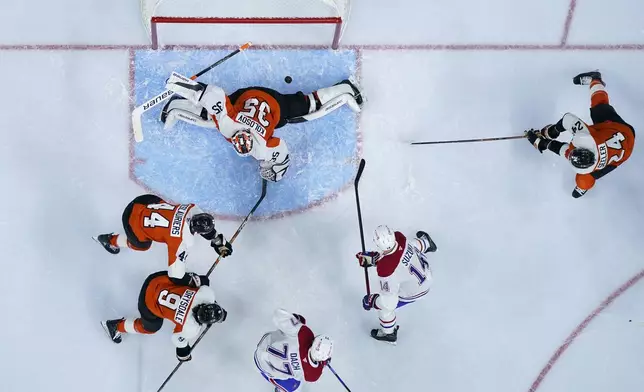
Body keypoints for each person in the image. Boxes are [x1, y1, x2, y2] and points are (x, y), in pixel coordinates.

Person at [160, 72, 363, 182]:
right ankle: (345, 88)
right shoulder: (234, 130)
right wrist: (180, 83)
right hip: (273, 101)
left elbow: (212, 95)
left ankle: (176, 105)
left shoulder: (234, 130)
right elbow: (211, 94)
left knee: (210, 113)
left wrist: (185, 87)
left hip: (253, 97)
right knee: (309, 104)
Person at [525, 71, 635, 198]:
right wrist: (549, 135)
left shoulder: (585, 163)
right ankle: (595, 79)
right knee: (599, 107)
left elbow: (565, 149)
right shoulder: (586, 136)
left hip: (622, 145)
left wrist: (545, 140)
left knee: (584, 181)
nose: (570, 153)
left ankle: (596, 80)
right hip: (618, 130)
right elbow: (567, 120)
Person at [94, 194, 232, 283]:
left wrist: (217, 241)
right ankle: (110, 240)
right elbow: (176, 275)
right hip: (131, 222)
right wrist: (195, 281)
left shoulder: (191, 209)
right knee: (142, 246)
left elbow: (201, 223)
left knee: (160, 204)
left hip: (142, 201)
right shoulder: (181, 241)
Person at [101, 270, 227, 362]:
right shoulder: (190, 328)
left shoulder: (206, 293)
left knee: (196, 281)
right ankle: (115, 326)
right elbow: (177, 339)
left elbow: (205, 282)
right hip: (148, 301)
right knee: (151, 327)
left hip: (156, 279)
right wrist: (183, 353)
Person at [356, 225, 437, 343]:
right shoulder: (399, 237)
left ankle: (388, 334)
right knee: (411, 246)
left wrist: (373, 301)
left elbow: (389, 302)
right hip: (427, 274)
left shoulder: (386, 270)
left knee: (385, 310)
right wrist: (376, 259)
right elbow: (396, 255)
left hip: (416, 290)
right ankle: (425, 242)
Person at [254, 308, 332, 392]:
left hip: (264, 349)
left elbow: (278, 315)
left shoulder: (305, 334)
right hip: (265, 367)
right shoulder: (313, 375)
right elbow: (316, 366)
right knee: (294, 385)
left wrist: (297, 321)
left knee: (294, 383)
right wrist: (322, 363)